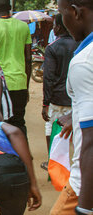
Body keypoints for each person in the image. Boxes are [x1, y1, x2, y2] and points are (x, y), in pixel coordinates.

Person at [52, 0, 93, 214]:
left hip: (82, 187)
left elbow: (91, 142)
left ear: (76, 13)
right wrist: (76, 114)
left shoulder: (84, 62)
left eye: (61, 13)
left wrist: (84, 208)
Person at [0, 0, 32, 136]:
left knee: (1, 125)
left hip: (1, 86)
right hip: (20, 82)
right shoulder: (24, 27)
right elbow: (28, 59)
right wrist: (26, 87)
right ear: (10, 8)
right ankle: (24, 155)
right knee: (19, 123)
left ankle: (6, 155)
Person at [40, 14, 76, 170]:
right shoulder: (81, 45)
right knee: (75, 133)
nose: (53, 28)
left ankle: (53, 163)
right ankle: (75, 164)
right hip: (74, 98)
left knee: (51, 129)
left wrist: (45, 103)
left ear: (59, 27)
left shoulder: (52, 47)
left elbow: (48, 78)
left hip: (56, 98)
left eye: (54, 25)